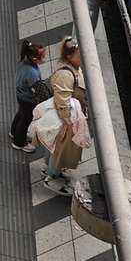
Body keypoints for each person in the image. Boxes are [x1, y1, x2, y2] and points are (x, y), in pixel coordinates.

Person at [40, 37, 89, 194]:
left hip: (63, 117)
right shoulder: (67, 75)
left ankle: (50, 169)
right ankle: (52, 177)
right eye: (80, 57)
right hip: (65, 119)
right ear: (69, 57)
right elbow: (63, 101)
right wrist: (69, 120)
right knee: (59, 149)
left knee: (54, 145)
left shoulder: (69, 68)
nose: (83, 60)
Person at [10, 41, 49, 151]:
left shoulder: (23, 62)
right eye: (43, 56)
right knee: (26, 120)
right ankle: (19, 142)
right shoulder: (32, 73)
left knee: (21, 114)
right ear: (35, 59)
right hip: (28, 99)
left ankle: (14, 131)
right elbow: (37, 89)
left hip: (21, 95)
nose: (45, 58)